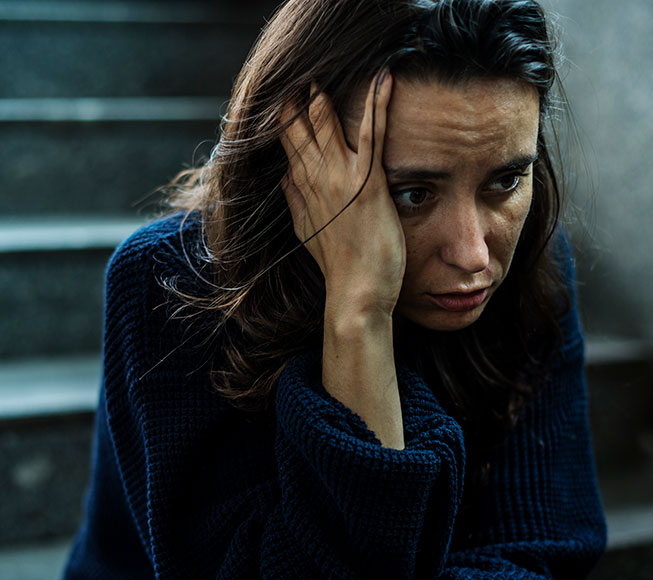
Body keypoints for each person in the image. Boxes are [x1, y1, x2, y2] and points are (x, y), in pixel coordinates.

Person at [64, 0, 607, 578]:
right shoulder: (172, 282)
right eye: (413, 193)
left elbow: (544, 550)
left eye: (505, 180)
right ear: (299, 167)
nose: (474, 254)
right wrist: (359, 314)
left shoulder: (532, 262)